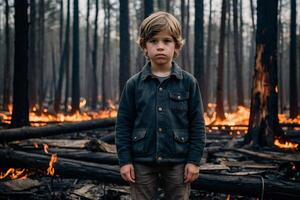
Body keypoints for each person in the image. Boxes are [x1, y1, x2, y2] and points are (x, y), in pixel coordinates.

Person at [115, 11, 206, 200]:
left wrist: (194, 161)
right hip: (141, 162)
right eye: (153, 41)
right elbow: (123, 124)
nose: (160, 47)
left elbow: (197, 124)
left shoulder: (188, 83)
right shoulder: (134, 84)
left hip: (178, 163)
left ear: (177, 45)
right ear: (144, 46)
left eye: (167, 41)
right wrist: (125, 161)